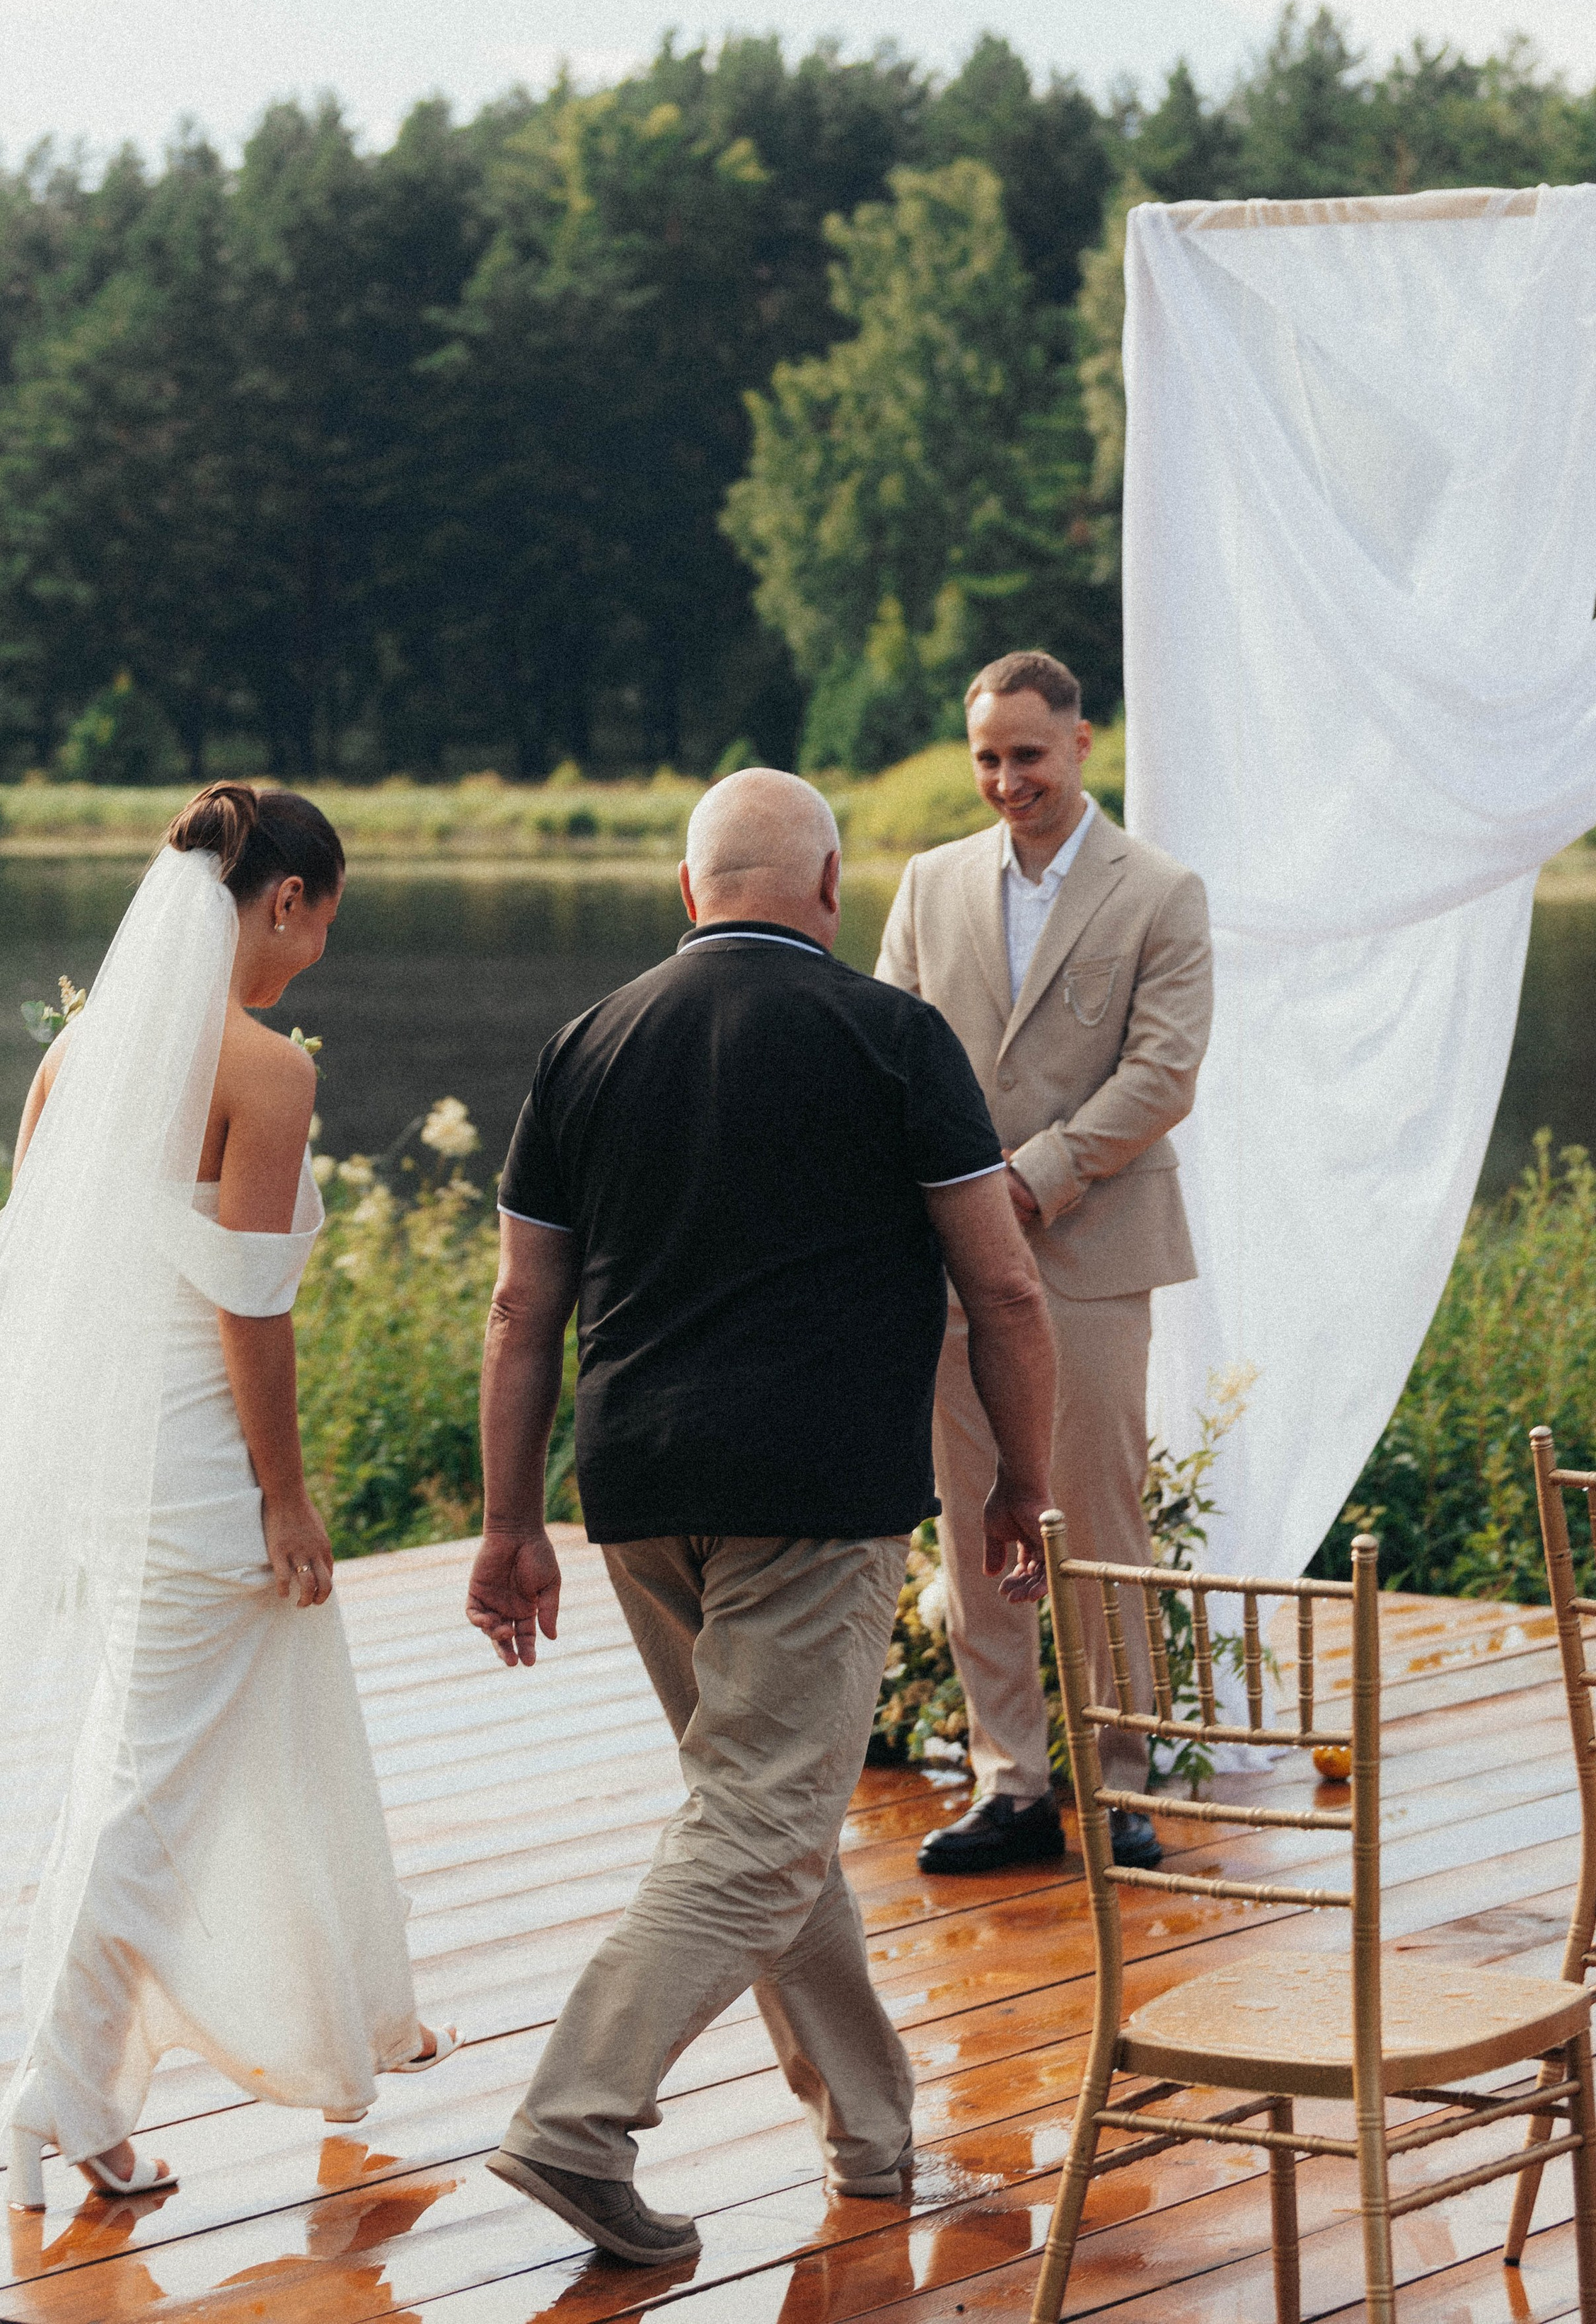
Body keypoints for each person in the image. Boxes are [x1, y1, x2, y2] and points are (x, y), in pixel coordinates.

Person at [0, 786, 449, 2263]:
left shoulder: (73, 1058)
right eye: (321, 917)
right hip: (202, 1469)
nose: (319, 950)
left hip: (103, 1467)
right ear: (282, 900)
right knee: (148, 1795)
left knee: (139, 1765)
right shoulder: (263, 1073)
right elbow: (250, 1307)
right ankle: (56, 2088)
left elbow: (39, 1284)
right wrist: (283, 1494)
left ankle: (163, 2063)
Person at [464, 768, 1057, 2267]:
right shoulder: (890, 1034)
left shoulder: (581, 1043)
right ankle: (573, 2119)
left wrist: (504, 1521)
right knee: (759, 1821)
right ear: (829, 885)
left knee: (757, 1813)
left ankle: (869, 2136)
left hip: (638, 1487)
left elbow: (520, 1307)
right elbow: (1001, 1283)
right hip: (811, 1493)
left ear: (686, 893)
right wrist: (1023, 1478)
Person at [875, 652, 1213, 1876]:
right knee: (972, 1524)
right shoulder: (927, 882)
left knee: (1099, 1514)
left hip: (1092, 1251)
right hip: (952, 1263)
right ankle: (1011, 1782)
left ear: (1080, 744)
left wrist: (1032, 1180)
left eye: (1027, 753)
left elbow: (1164, 1074)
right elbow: (890, 1048)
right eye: (987, 758)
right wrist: (956, 1198)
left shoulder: (1161, 892)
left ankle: (1120, 1780)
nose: (1006, 779)